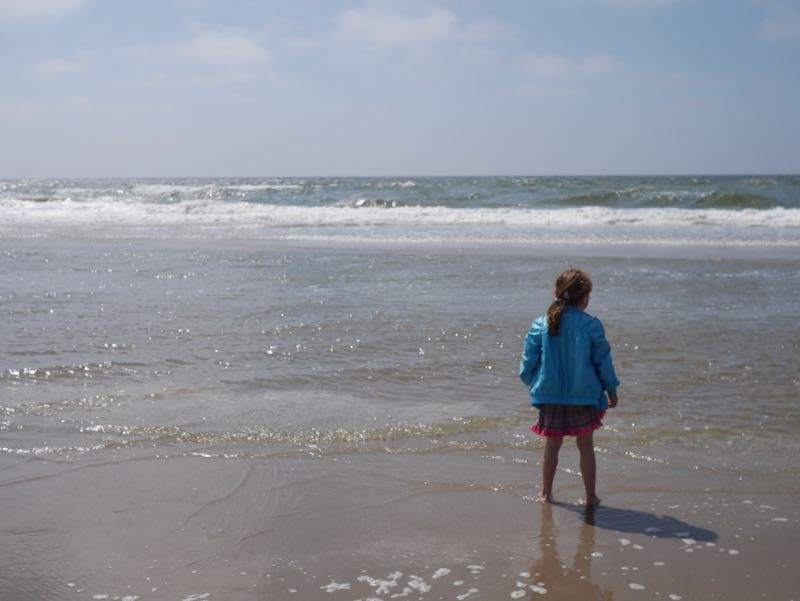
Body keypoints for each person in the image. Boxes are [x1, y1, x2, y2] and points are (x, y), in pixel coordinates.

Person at [519, 268, 619, 507]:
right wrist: (611, 389)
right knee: (585, 446)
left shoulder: (541, 324)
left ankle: (545, 492)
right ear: (583, 297)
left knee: (552, 444)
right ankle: (590, 496)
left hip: (550, 395)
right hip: (583, 395)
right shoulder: (591, 325)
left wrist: (537, 384)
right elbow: (603, 361)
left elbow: (527, 365)